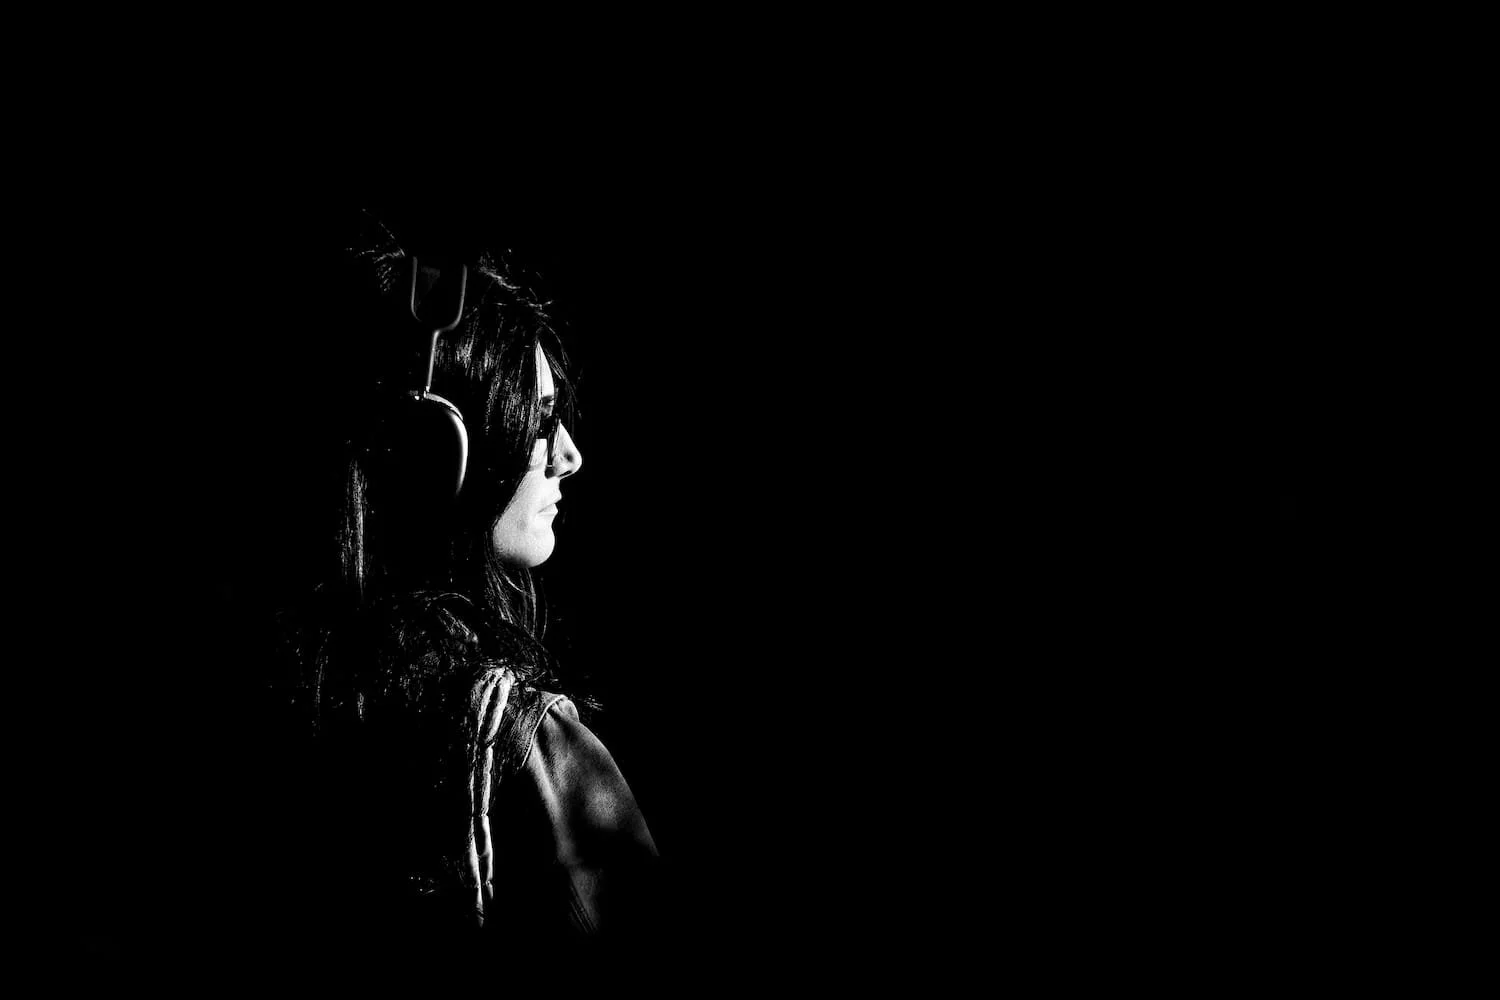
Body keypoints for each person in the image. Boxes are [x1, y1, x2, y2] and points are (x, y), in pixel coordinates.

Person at [259, 214, 661, 968]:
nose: (569, 455)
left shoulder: (272, 699)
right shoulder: (530, 749)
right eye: (539, 420)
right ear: (438, 454)